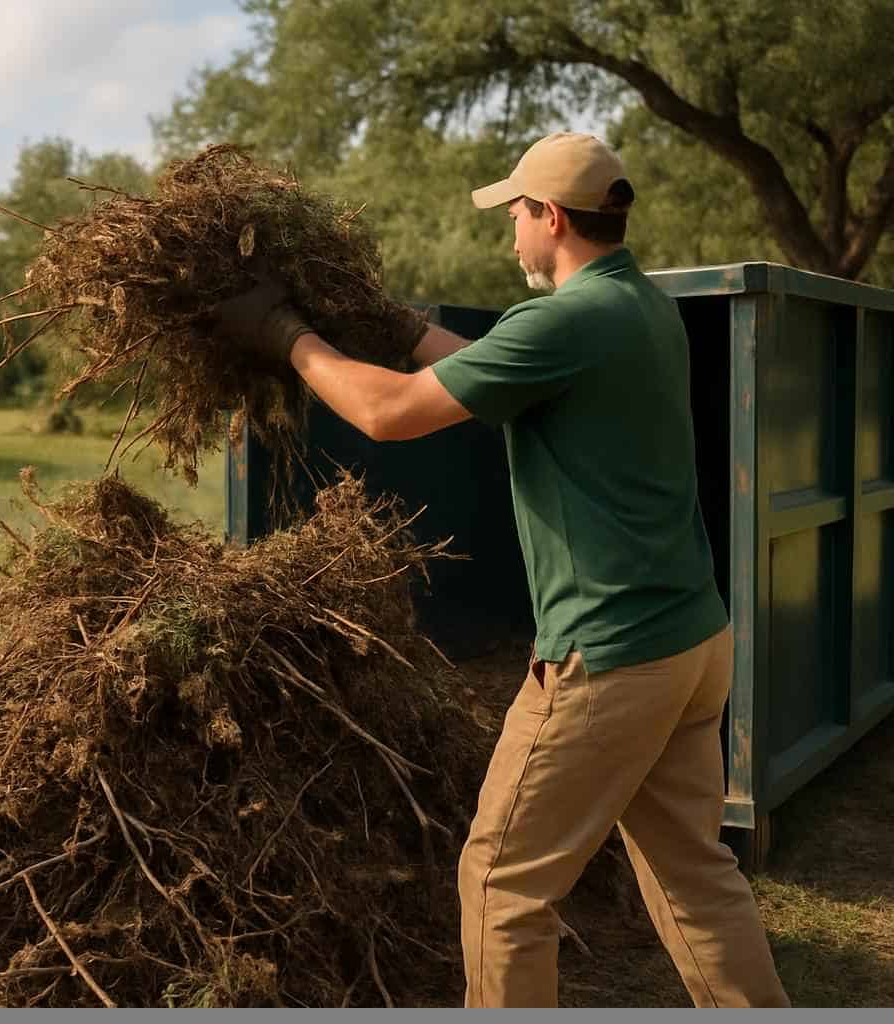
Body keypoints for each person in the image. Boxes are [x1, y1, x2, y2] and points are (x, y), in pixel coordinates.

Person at [209, 132, 790, 1008]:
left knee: (501, 882)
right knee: (694, 875)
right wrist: (401, 325)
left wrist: (287, 335)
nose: (508, 231)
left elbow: (387, 414)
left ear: (551, 217)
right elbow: (506, 382)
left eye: (514, 214)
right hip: (689, 641)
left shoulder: (566, 320)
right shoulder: (637, 307)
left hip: (608, 652)